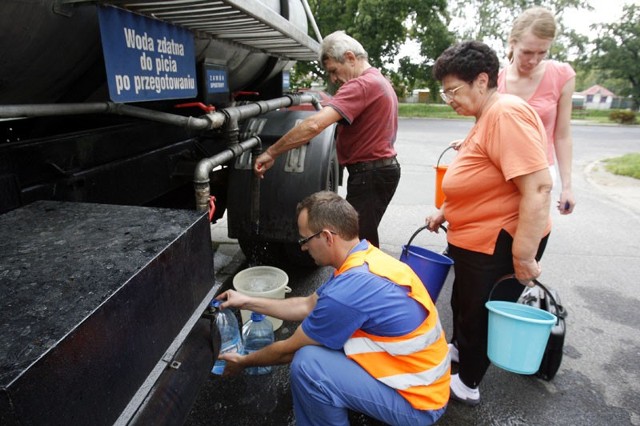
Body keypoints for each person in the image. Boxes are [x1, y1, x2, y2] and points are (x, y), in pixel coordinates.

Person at [217, 191, 450, 425]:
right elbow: (307, 304)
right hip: (423, 383)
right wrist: (245, 300)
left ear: (327, 237)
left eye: (304, 239)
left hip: (418, 404)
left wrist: (243, 361)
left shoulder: (351, 288)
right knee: (326, 342)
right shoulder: (365, 259)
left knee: (308, 365)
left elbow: (288, 350)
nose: (303, 248)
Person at [425, 41, 552, 406]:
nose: (448, 98)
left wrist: (524, 257)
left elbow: (539, 188)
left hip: (497, 241)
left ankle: (467, 383)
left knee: (480, 313)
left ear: (481, 81)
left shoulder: (505, 114)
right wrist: (444, 212)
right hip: (473, 240)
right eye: (444, 91)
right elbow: (481, 177)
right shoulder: (485, 116)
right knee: (464, 303)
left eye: (453, 90)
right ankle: (461, 353)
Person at [253, 31, 401, 248]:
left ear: (350, 58)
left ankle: (363, 280)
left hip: (371, 175)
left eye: (333, 70)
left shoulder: (361, 85)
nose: (333, 78)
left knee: (356, 244)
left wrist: (271, 152)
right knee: (363, 239)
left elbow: (314, 124)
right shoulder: (377, 79)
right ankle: (365, 279)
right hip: (377, 173)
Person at [498, 6, 576, 215]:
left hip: (539, 171)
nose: (533, 60)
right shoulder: (494, 80)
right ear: (512, 42)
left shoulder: (562, 75)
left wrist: (567, 187)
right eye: (527, 52)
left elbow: (562, 135)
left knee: (528, 237)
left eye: (542, 52)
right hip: (500, 171)